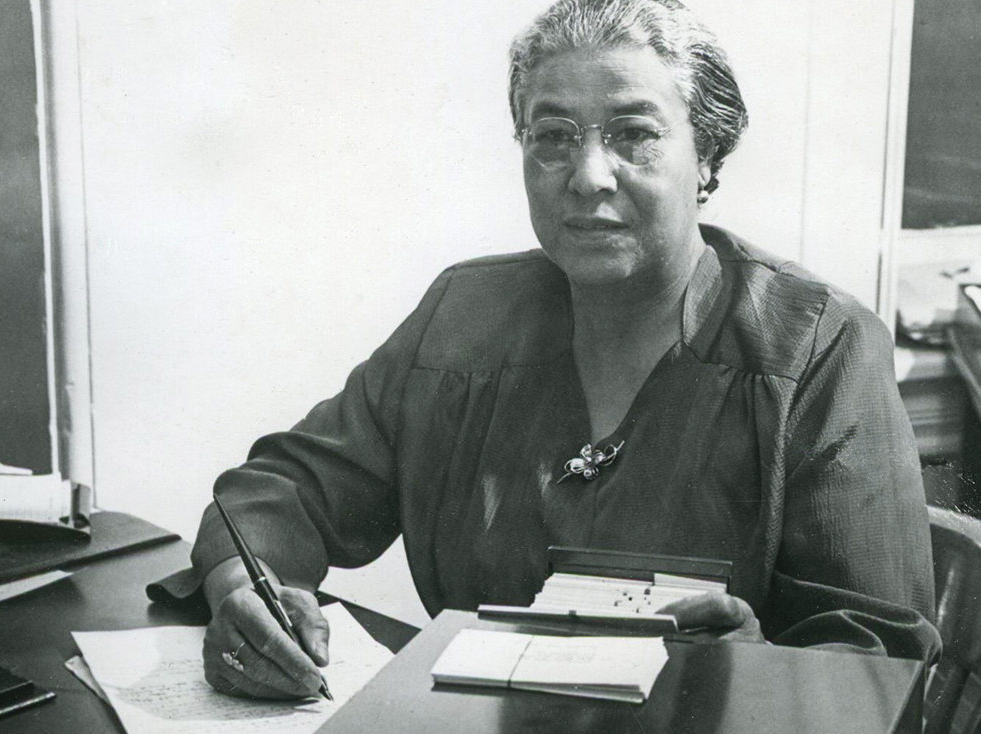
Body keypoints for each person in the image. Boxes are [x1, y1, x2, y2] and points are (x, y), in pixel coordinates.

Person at [156, 0, 941, 700]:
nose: (588, 174)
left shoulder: (817, 347)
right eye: (554, 137)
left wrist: (750, 670)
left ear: (706, 158)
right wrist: (246, 593)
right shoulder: (467, 315)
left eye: (634, 134)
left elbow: (881, 664)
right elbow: (283, 489)